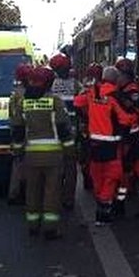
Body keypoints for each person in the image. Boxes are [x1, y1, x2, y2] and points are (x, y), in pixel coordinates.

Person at [11, 66, 74, 239]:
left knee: (32, 191)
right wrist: (70, 151)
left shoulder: (23, 102)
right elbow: (64, 129)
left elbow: (17, 130)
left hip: (31, 156)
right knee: (51, 193)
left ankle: (32, 225)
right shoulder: (55, 101)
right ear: (49, 83)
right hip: (53, 157)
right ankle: (50, 229)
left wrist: (18, 152)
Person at [74, 67, 134, 224]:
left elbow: (77, 102)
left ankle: (101, 203)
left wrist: (90, 113)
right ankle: (103, 206)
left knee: (97, 174)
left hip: (94, 143)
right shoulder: (115, 96)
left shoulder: (92, 91)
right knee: (113, 175)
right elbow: (126, 119)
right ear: (115, 80)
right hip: (111, 143)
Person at [114, 58, 139, 218]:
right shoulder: (130, 89)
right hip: (137, 137)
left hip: (132, 138)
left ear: (124, 75)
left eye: (119, 75)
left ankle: (120, 204)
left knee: (125, 172)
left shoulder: (131, 92)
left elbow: (129, 114)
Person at [48, 53, 80, 211]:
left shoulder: (49, 86)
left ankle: (55, 196)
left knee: (56, 168)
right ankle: (68, 199)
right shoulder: (76, 85)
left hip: (54, 133)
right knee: (70, 168)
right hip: (71, 134)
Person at [74, 63, 103, 192]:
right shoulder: (106, 87)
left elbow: (78, 104)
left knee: (86, 154)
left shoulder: (85, 88)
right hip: (100, 127)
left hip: (87, 126)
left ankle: (88, 180)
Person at [7, 63, 33, 205]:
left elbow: (11, 115)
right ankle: (27, 193)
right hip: (30, 132)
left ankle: (14, 193)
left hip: (17, 132)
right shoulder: (33, 93)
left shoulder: (15, 93)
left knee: (17, 163)